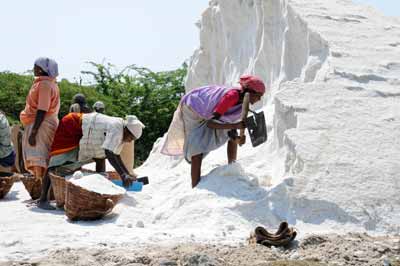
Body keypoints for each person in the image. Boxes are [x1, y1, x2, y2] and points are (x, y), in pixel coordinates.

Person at [161, 75, 266, 188]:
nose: (259, 99)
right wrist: (235, 125)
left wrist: (239, 138)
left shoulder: (243, 104)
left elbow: (231, 130)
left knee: (231, 131)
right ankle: (195, 186)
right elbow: (210, 124)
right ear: (250, 92)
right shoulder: (231, 97)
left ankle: (232, 167)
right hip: (193, 107)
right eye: (258, 96)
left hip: (210, 113)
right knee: (196, 146)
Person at [37, 112, 145, 210]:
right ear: (126, 130)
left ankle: (98, 193)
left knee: (100, 158)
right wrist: (123, 175)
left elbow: (116, 154)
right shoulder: (116, 127)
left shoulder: (121, 129)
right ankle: (42, 200)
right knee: (56, 161)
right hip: (71, 124)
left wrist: (126, 174)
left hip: (83, 130)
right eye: (131, 137)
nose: (130, 141)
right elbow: (109, 153)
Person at [20, 57, 60, 181]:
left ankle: (41, 189)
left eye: (36, 67)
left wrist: (34, 132)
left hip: (41, 125)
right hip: (44, 123)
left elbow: (42, 109)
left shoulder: (44, 84)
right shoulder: (49, 83)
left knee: (39, 157)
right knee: (42, 157)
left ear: (42, 69)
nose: (34, 69)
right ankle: (42, 189)